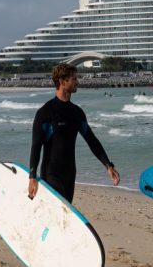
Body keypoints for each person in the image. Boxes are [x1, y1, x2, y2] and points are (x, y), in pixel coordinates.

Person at [28, 64, 120, 203]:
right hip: (51, 174)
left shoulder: (77, 112)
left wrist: (108, 165)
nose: (77, 82)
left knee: (65, 216)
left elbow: (92, 140)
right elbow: (36, 146)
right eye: (73, 78)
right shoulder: (46, 113)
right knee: (58, 212)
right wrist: (32, 177)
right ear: (62, 81)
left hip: (70, 174)